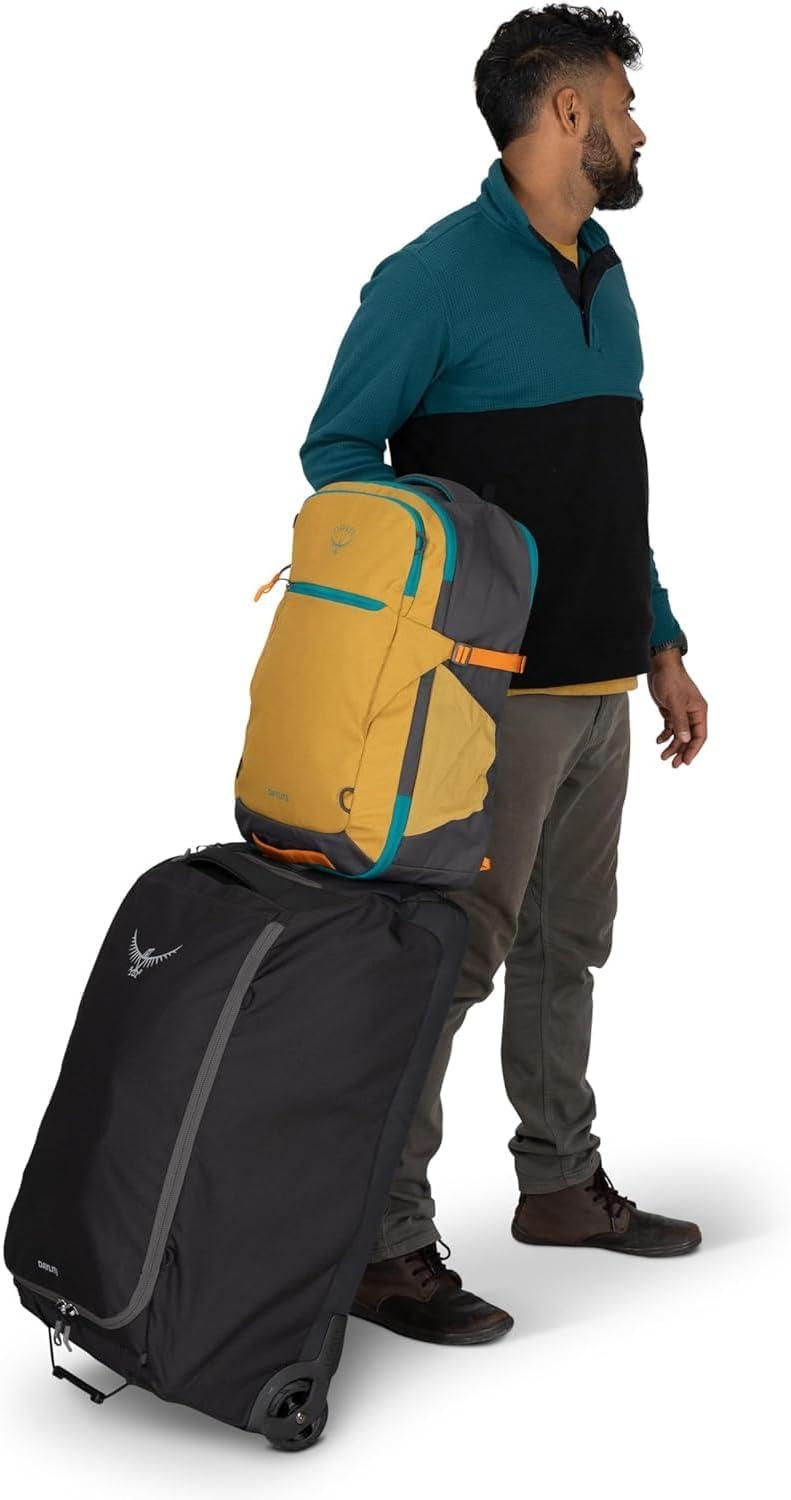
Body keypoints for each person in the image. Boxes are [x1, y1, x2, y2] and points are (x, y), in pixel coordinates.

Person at [300, 3, 708, 1345]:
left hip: (598, 688)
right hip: (480, 698)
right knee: (450, 960)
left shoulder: (605, 272)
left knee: (567, 946)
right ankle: (382, 1246)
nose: (639, 130)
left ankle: (559, 1186)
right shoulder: (429, 278)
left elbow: (610, 487)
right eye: (624, 107)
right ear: (568, 112)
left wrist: (661, 644)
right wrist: (451, 578)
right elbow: (340, 456)